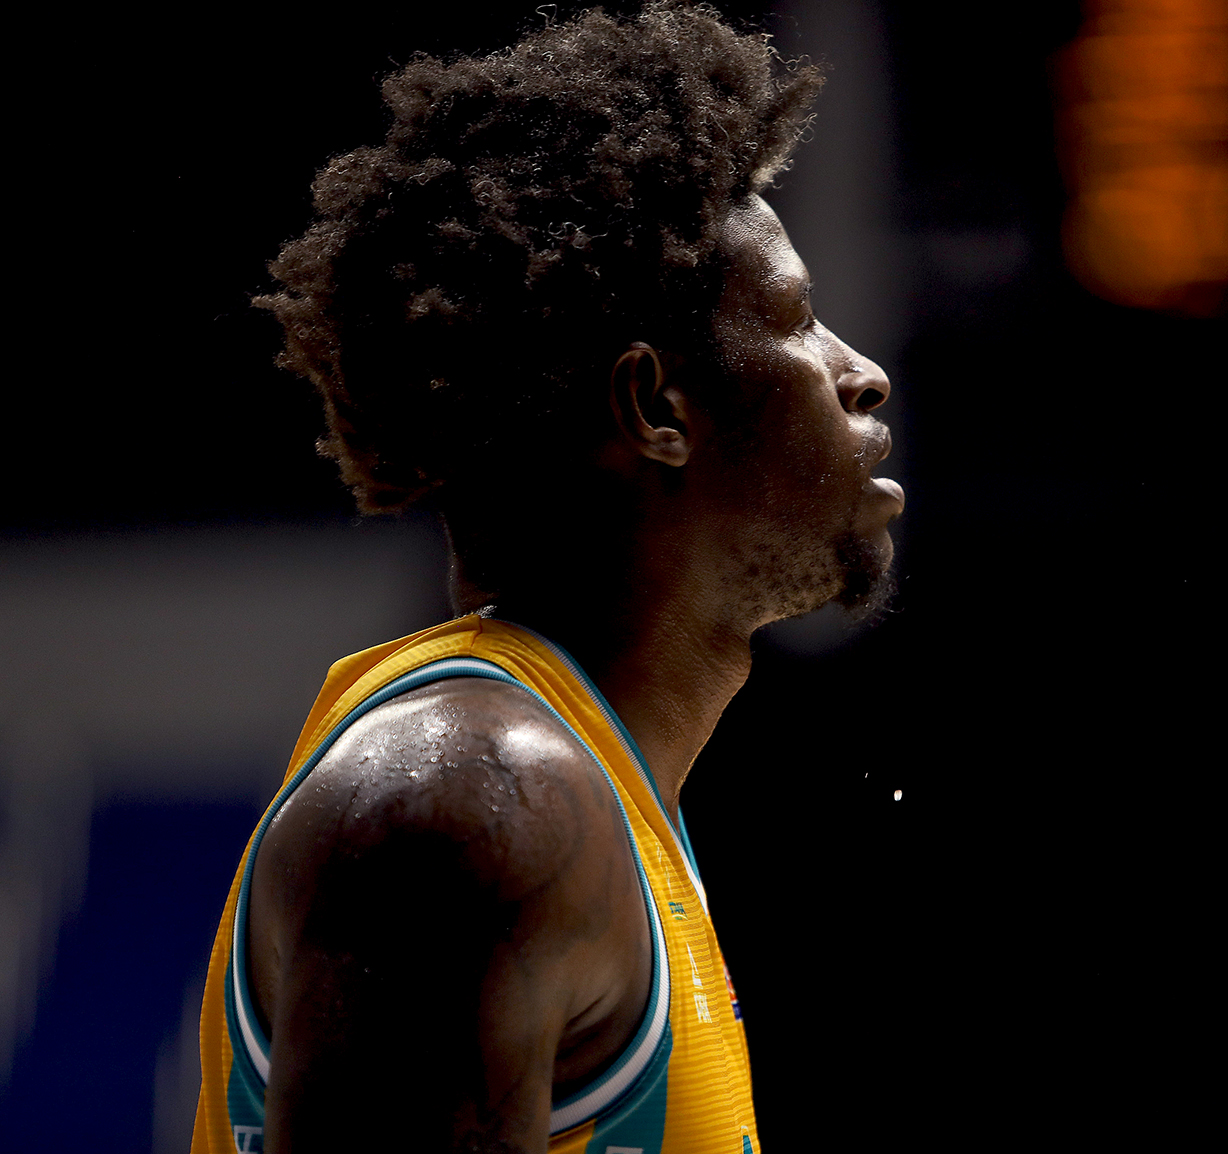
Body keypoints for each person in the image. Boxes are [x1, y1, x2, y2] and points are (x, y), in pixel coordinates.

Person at [191, 5, 903, 1152]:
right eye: (799, 318)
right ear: (656, 406)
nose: (860, 373)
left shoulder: (576, 791)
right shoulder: (479, 804)